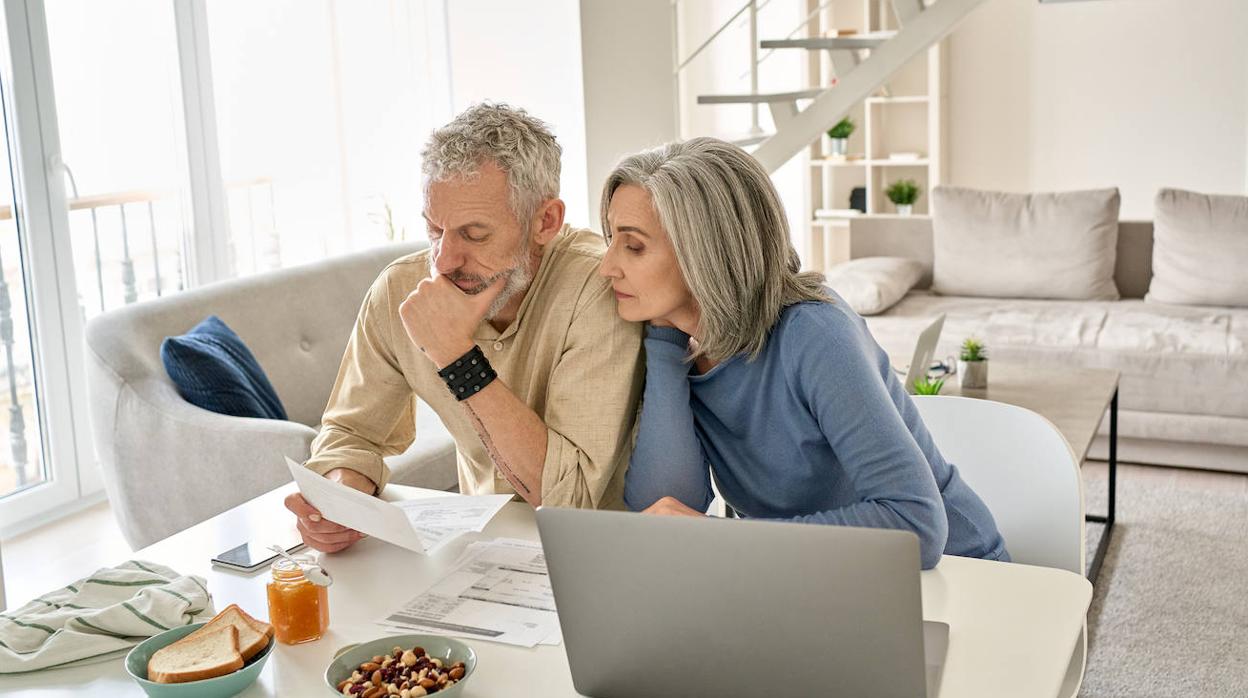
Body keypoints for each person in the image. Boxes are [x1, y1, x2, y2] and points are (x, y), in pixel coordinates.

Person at [598, 137, 1007, 569]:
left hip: (956, 576)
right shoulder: (680, 343)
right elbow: (663, 510)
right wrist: (664, 344)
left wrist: (724, 536)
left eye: (634, 246)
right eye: (611, 239)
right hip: (814, 578)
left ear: (704, 252)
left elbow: (916, 525)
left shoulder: (814, 332)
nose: (607, 266)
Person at [286, 103, 644, 553]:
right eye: (435, 229)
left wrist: (458, 359)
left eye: (474, 235)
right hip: (480, 551)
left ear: (545, 222)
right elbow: (351, 434)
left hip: (600, 552)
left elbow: (566, 498)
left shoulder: (599, 288)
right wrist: (342, 497)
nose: (444, 260)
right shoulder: (401, 288)